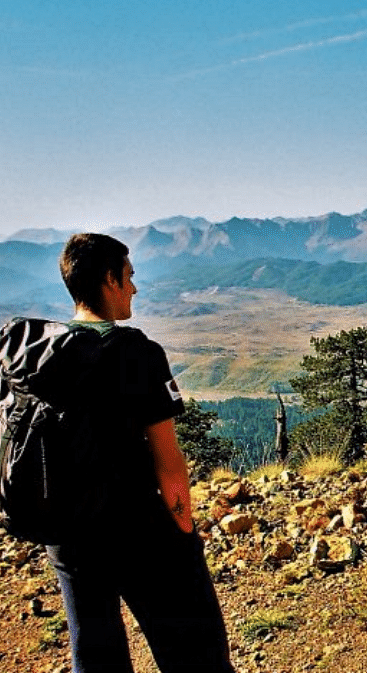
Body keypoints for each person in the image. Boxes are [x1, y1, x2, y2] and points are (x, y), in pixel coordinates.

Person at [47, 233, 236, 672]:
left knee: (95, 654)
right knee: (196, 653)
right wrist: (184, 533)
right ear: (110, 280)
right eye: (129, 276)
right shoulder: (137, 353)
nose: (134, 287)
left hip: (65, 530)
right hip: (133, 524)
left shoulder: (40, 355)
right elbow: (168, 461)